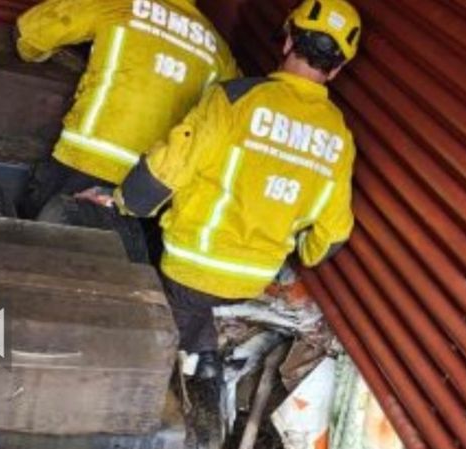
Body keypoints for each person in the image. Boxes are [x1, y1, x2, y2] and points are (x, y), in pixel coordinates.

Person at [95, 0, 362, 380]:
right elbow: (332, 234)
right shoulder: (339, 136)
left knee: (140, 343)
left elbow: (172, 164)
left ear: (288, 40)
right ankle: (202, 358)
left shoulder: (235, 97)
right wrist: (306, 251)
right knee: (191, 314)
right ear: (336, 69)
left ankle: (171, 369)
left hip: (192, 267)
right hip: (254, 279)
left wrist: (124, 201)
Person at [0, 0, 239, 219]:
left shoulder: (120, 4)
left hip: (87, 158)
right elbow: (233, 117)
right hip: (150, 187)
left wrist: (19, 41)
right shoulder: (219, 50)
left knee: (33, 234)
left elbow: (43, 28)